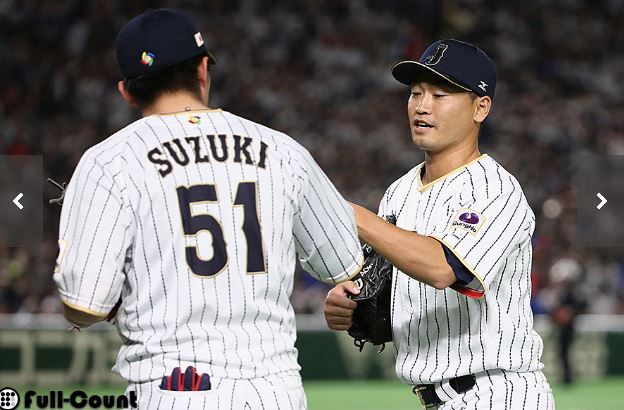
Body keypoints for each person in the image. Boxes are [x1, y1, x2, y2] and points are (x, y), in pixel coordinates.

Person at [52, 8, 363, 410]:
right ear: (202, 70)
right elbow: (345, 262)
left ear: (126, 91)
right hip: (275, 391)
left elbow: (84, 305)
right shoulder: (284, 151)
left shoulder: (109, 161)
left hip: (171, 390)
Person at [324, 39, 555, 409]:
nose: (422, 106)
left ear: (481, 107)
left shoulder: (495, 188)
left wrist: (352, 214)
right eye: (416, 93)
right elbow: (386, 287)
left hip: (496, 393)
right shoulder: (399, 192)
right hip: (438, 397)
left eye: (440, 95)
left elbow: (443, 268)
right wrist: (350, 303)